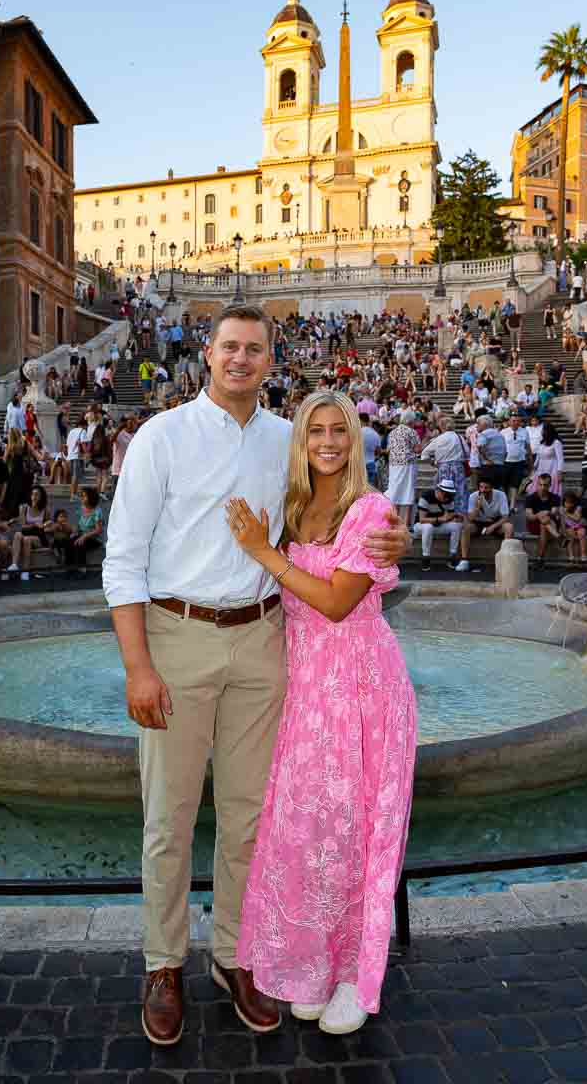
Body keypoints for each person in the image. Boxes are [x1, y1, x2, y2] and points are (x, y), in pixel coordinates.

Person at [102, 303, 408, 1047]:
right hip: (177, 636)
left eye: (255, 349)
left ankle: (237, 956)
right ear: (206, 354)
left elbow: (342, 514)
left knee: (250, 819)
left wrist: (393, 537)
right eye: (229, 347)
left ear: (272, 361)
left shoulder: (289, 442)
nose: (241, 359)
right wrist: (138, 665)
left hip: (266, 641)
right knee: (168, 820)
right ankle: (163, 963)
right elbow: (123, 558)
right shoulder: (160, 436)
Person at [226, 392, 416, 1033]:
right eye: (317, 432)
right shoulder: (293, 507)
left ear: (355, 439)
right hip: (307, 687)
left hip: (361, 686)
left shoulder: (370, 510)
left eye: (340, 431)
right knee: (312, 833)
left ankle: (352, 978)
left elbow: (337, 602)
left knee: (355, 830)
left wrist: (263, 553)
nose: (329, 442)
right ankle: (313, 964)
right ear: (302, 442)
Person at [455, 479, 514, 571]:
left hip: (495, 522)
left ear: (492, 488)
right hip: (478, 523)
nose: (483, 490)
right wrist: (477, 507)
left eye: (486, 488)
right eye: (481, 487)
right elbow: (470, 518)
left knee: (509, 527)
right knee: (465, 527)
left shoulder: (501, 495)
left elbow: (505, 517)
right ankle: (464, 560)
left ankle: (505, 560)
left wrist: (492, 527)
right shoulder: (473, 496)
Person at [419, 416, 469, 514]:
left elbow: (424, 454)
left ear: (441, 427)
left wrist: (433, 463)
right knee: (460, 492)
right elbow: (467, 452)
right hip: (458, 468)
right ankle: (460, 514)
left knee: (444, 493)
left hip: (443, 468)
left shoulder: (439, 439)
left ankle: (445, 513)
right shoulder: (459, 437)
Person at [412, 479, 463, 570]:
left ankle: (452, 555)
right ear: (439, 491)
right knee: (428, 527)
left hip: (439, 524)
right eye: (445, 494)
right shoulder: (426, 497)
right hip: (421, 526)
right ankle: (426, 557)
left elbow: (448, 516)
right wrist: (440, 519)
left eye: (449, 494)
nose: (447, 497)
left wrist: (455, 517)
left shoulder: (450, 499)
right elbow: (422, 519)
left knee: (457, 526)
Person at [8, 484, 53, 582]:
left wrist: (44, 526)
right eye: (32, 494)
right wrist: (36, 525)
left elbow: (49, 526)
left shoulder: (45, 510)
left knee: (27, 539)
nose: (34, 497)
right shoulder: (24, 508)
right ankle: (14, 564)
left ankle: (25, 570)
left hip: (39, 538)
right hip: (26, 534)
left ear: (41, 497)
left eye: (37, 495)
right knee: (18, 535)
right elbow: (23, 526)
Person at [384, 411, 420, 527]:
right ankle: (405, 525)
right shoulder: (411, 432)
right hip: (407, 465)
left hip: (394, 464)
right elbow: (418, 449)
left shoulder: (392, 432)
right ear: (410, 421)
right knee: (408, 493)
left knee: (395, 493)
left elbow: (389, 449)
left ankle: (393, 524)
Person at [525, 474, 561, 567]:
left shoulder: (555, 497)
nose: (542, 487)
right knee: (543, 521)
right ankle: (559, 537)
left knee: (544, 523)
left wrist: (546, 512)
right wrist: (539, 514)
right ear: (537, 484)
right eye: (540, 485)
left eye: (545, 485)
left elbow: (554, 513)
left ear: (549, 485)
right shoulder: (530, 498)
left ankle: (539, 558)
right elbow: (530, 516)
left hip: (551, 523)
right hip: (534, 525)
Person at [68, 486, 104, 575]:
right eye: (81, 496)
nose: (82, 498)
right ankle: (69, 567)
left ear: (90, 497)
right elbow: (79, 525)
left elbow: (98, 530)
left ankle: (82, 569)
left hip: (94, 538)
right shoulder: (82, 509)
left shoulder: (97, 511)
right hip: (82, 535)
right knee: (69, 541)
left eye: (84, 496)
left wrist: (84, 536)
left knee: (80, 543)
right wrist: (74, 532)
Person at [502, 415, 531, 510]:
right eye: (513, 421)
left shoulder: (524, 431)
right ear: (509, 422)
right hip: (506, 461)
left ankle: (512, 505)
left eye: (518, 421)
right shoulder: (503, 432)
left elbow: (527, 446)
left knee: (515, 483)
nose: (516, 423)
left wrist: (530, 459)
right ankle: (506, 502)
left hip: (519, 461)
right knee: (505, 483)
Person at [528, 422, 564, 497]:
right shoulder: (542, 443)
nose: (541, 432)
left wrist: (560, 472)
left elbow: (560, 458)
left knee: (551, 489)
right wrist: (534, 468)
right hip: (541, 468)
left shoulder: (556, 443)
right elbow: (538, 456)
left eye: (542, 430)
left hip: (552, 469)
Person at [475, 415, 507, 491]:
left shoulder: (484, 434)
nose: (477, 426)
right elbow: (506, 452)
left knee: (485, 490)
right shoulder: (500, 434)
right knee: (496, 489)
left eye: (478, 423)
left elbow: (480, 447)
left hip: (488, 466)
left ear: (484, 424)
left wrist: (486, 459)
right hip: (500, 465)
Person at [559, 491, 587, 563]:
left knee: (582, 532)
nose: (568, 505)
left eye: (571, 503)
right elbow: (562, 522)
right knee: (570, 535)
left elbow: (577, 518)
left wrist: (567, 513)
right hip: (568, 527)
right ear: (563, 502)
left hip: (578, 526)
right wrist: (563, 531)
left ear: (574, 503)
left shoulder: (578, 508)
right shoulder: (561, 509)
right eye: (567, 502)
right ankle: (571, 556)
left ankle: (583, 554)